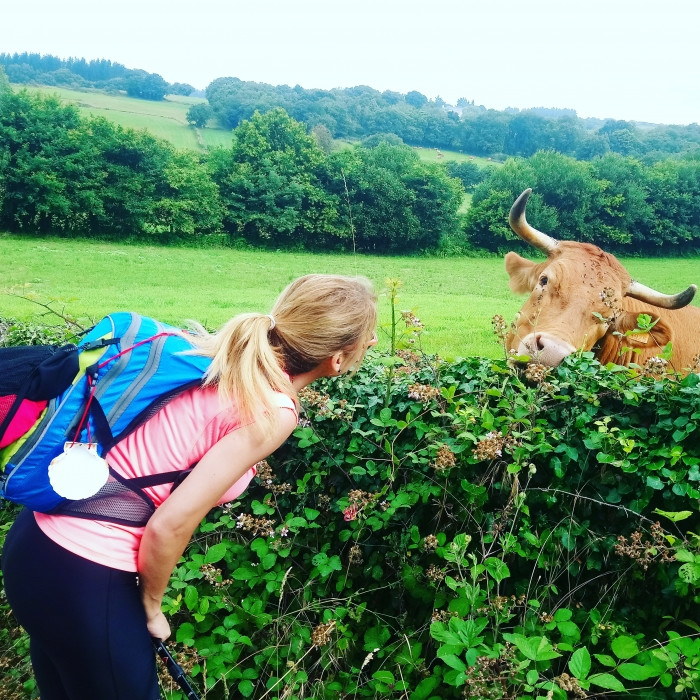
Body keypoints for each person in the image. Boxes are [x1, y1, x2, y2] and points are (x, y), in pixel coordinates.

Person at [1, 273, 378, 700]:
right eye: (368, 337)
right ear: (338, 359)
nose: (374, 343)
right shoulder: (275, 408)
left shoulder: (219, 355)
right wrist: (151, 605)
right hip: (86, 575)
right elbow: (171, 524)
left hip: (34, 546)